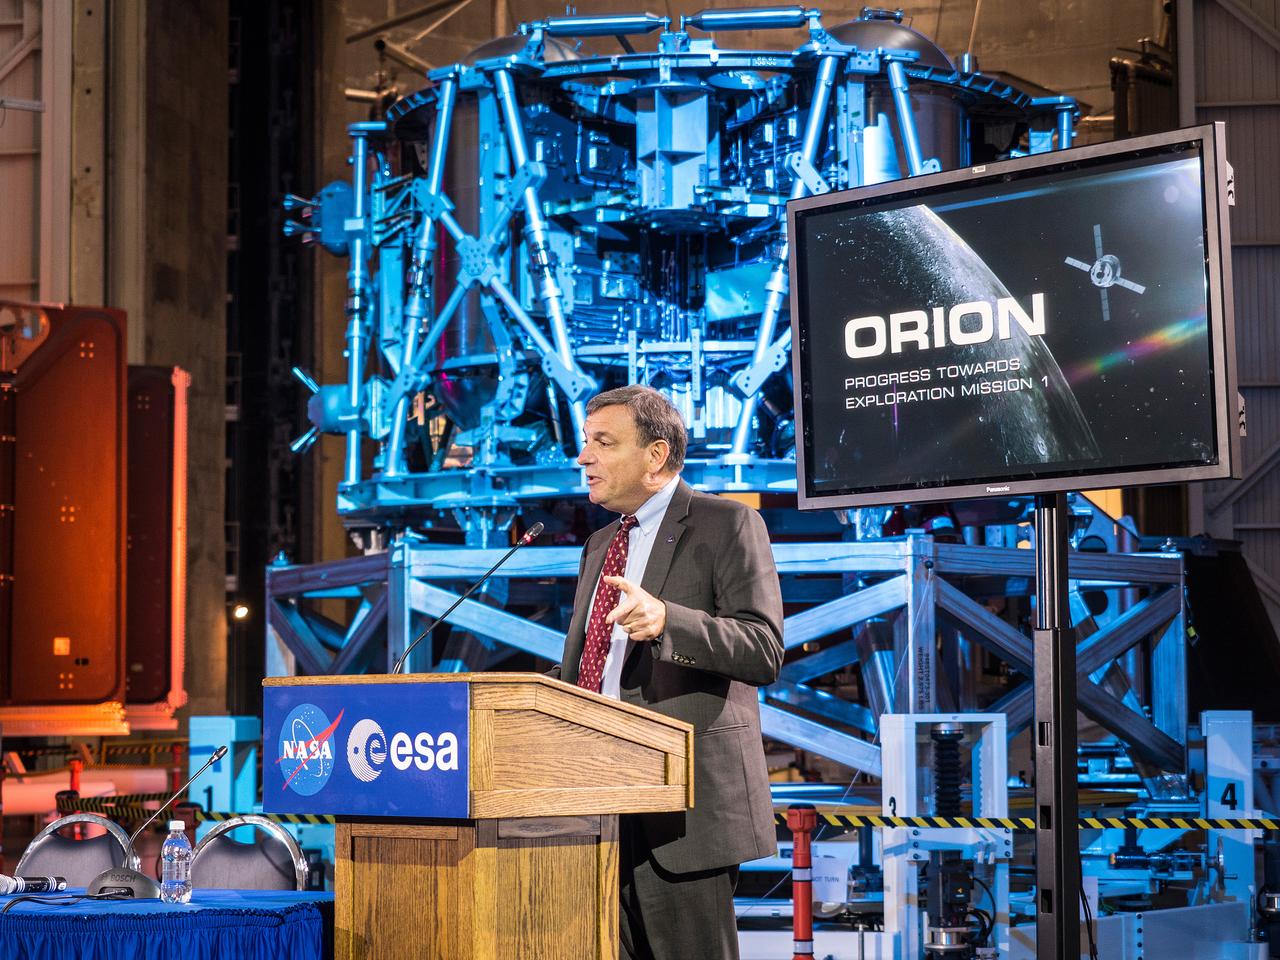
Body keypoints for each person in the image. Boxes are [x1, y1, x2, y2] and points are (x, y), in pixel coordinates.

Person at [554, 385, 784, 960]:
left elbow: (763, 649)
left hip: (683, 812)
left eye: (603, 443)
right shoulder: (599, 544)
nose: (584, 458)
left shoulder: (726, 524)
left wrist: (666, 621)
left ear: (656, 456)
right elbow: (585, 669)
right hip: (595, 804)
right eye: (586, 443)